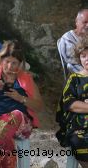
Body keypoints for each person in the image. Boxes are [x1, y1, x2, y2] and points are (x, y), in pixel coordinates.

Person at [0, 41, 42, 168]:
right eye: (6, 61)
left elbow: (39, 106)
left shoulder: (26, 78)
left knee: (15, 115)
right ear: (1, 60)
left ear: (20, 64)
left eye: (14, 62)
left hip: (21, 123)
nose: (9, 66)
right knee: (3, 138)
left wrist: (21, 98)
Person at [56, 37, 88, 167]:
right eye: (83, 56)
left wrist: (84, 105)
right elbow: (70, 104)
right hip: (80, 127)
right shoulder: (74, 79)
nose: (87, 59)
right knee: (79, 140)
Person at [58, 9, 88, 74]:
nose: (87, 25)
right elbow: (74, 63)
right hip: (80, 75)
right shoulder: (67, 40)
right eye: (85, 22)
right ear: (77, 22)